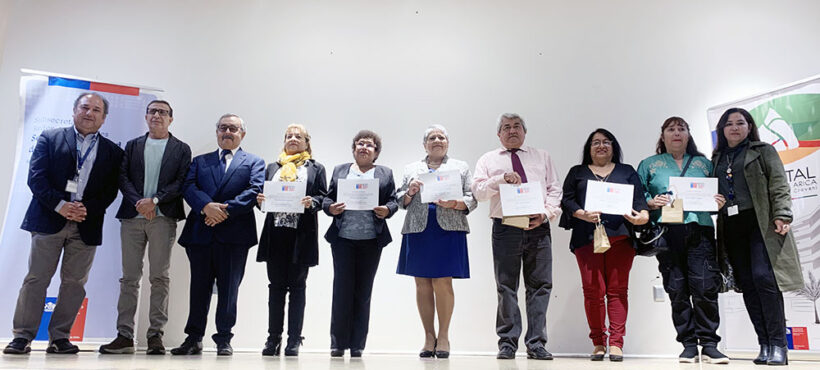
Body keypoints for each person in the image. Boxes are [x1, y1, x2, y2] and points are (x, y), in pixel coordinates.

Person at [3, 93, 123, 355]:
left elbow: (110, 191)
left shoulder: (114, 151)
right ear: (73, 110)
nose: (89, 113)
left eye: (96, 110)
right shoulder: (50, 137)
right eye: (84, 107)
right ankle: (22, 337)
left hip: (85, 224)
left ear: (104, 118)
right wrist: (61, 206)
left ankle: (60, 338)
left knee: (74, 283)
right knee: (36, 279)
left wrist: (86, 209)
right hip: (48, 219)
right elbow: (36, 179)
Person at [99, 100, 192, 355]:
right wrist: (140, 203)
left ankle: (155, 336)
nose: (157, 116)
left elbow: (181, 181)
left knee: (159, 278)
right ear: (146, 116)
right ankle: (124, 335)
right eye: (152, 111)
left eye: (163, 112)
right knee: (129, 278)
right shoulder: (132, 145)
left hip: (163, 218)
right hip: (132, 218)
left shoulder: (181, 149)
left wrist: (156, 201)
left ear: (171, 119)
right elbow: (123, 178)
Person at [712, 107, 803, 366]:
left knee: (765, 280)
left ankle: (778, 345)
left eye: (740, 123)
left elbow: (779, 184)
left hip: (759, 224)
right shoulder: (717, 158)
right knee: (747, 284)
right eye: (729, 124)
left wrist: (783, 214)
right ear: (722, 129)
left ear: (749, 126)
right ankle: (764, 343)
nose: (735, 128)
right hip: (731, 226)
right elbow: (712, 191)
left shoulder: (763, 151)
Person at [636, 117, 729, 364]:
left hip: (700, 230)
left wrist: (718, 202)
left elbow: (718, 194)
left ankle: (709, 344)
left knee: (705, 287)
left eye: (681, 129)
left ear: (688, 134)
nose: (676, 133)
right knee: (676, 289)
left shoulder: (704, 164)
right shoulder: (648, 164)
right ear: (662, 135)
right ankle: (688, 344)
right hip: (668, 232)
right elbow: (638, 194)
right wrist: (649, 202)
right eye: (671, 129)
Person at [171, 114, 265, 356]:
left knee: (229, 290)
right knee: (198, 288)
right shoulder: (200, 161)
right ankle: (193, 338)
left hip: (234, 235)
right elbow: (189, 187)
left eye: (233, 128)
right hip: (201, 233)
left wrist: (223, 212)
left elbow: (254, 190)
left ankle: (224, 338)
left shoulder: (254, 162)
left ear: (242, 134)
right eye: (223, 128)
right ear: (216, 132)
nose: (227, 132)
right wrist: (207, 207)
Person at [472, 113, 562, 360]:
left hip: (538, 227)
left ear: (524, 131)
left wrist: (545, 213)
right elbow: (478, 192)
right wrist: (501, 179)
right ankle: (507, 343)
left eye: (517, 127)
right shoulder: (488, 159)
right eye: (506, 127)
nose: (512, 131)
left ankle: (536, 343)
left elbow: (555, 189)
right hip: (505, 228)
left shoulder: (542, 156)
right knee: (506, 286)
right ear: (498, 134)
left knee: (541, 286)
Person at [560, 128, 649, 362]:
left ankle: (617, 343)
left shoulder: (626, 171)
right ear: (588, 149)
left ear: (614, 147)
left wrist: (643, 217)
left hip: (621, 238)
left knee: (618, 291)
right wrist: (581, 214)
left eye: (606, 142)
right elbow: (567, 199)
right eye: (596, 142)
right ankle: (598, 342)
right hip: (587, 239)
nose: (601, 146)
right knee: (593, 292)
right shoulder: (577, 172)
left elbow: (639, 201)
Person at [396, 124, 477, 358]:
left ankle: (443, 336)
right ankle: (428, 336)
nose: (437, 140)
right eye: (432, 137)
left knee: (443, 282)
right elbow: (400, 199)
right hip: (418, 229)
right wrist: (410, 192)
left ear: (448, 143)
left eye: (442, 137)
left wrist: (455, 203)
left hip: (448, 229)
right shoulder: (412, 168)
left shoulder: (460, 167)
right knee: (422, 283)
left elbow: (472, 198)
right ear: (425, 145)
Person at [323, 130, 398, 358]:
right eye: (360, 143)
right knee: (341, 291)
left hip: (371, 241)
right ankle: (337, 343)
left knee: (363, 293)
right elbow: (328, 197)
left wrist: (387, 210)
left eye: (369, 144)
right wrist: (330, 208)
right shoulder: (340, 170)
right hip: (343, 239)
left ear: (376, 152)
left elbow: (393, 200)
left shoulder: (385, 173)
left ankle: (357, 345)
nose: (364, 147)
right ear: (354, 148)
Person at [256, 124, 327, 356]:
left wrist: (312, 202)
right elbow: (262, 198)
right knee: (275, 288)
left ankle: (294, 339)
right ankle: (272, 338)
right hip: (275, 233)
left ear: (307, 142)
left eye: (298, 136)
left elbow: (323, 197)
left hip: (301, 234)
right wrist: (260, 199)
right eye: (289, 136)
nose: (293, 139)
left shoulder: (315, 168)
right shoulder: (272, 167)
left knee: (297, 288)